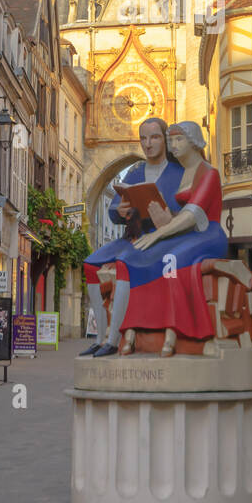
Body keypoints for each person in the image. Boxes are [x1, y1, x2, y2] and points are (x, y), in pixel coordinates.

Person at [116, 121, 252, 357]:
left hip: (208, 234)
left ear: (194, 142)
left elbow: (192, 215)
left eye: (179, 140)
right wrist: (164, 218)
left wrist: (159, 233)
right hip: (184, 234)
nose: (173, 146)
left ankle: (175, 331)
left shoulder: (209, 173)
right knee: (141, 257)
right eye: (172, 141)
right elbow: (179, 215)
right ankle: (132, 330)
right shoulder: (182, 173)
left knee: (171, 260)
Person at [82, 117, 184, 358]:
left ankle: (113, 340)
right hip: (133, 235)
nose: (148, 144)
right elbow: (113, 207)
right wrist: (119, 211)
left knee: (124, 262)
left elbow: (187, 211)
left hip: (162, 239)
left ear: (165, 140)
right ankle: (99, 338)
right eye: (143, 138)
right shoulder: (135, 171)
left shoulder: (179, 173)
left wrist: (169, 214)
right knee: (89, 264)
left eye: (155, 137)